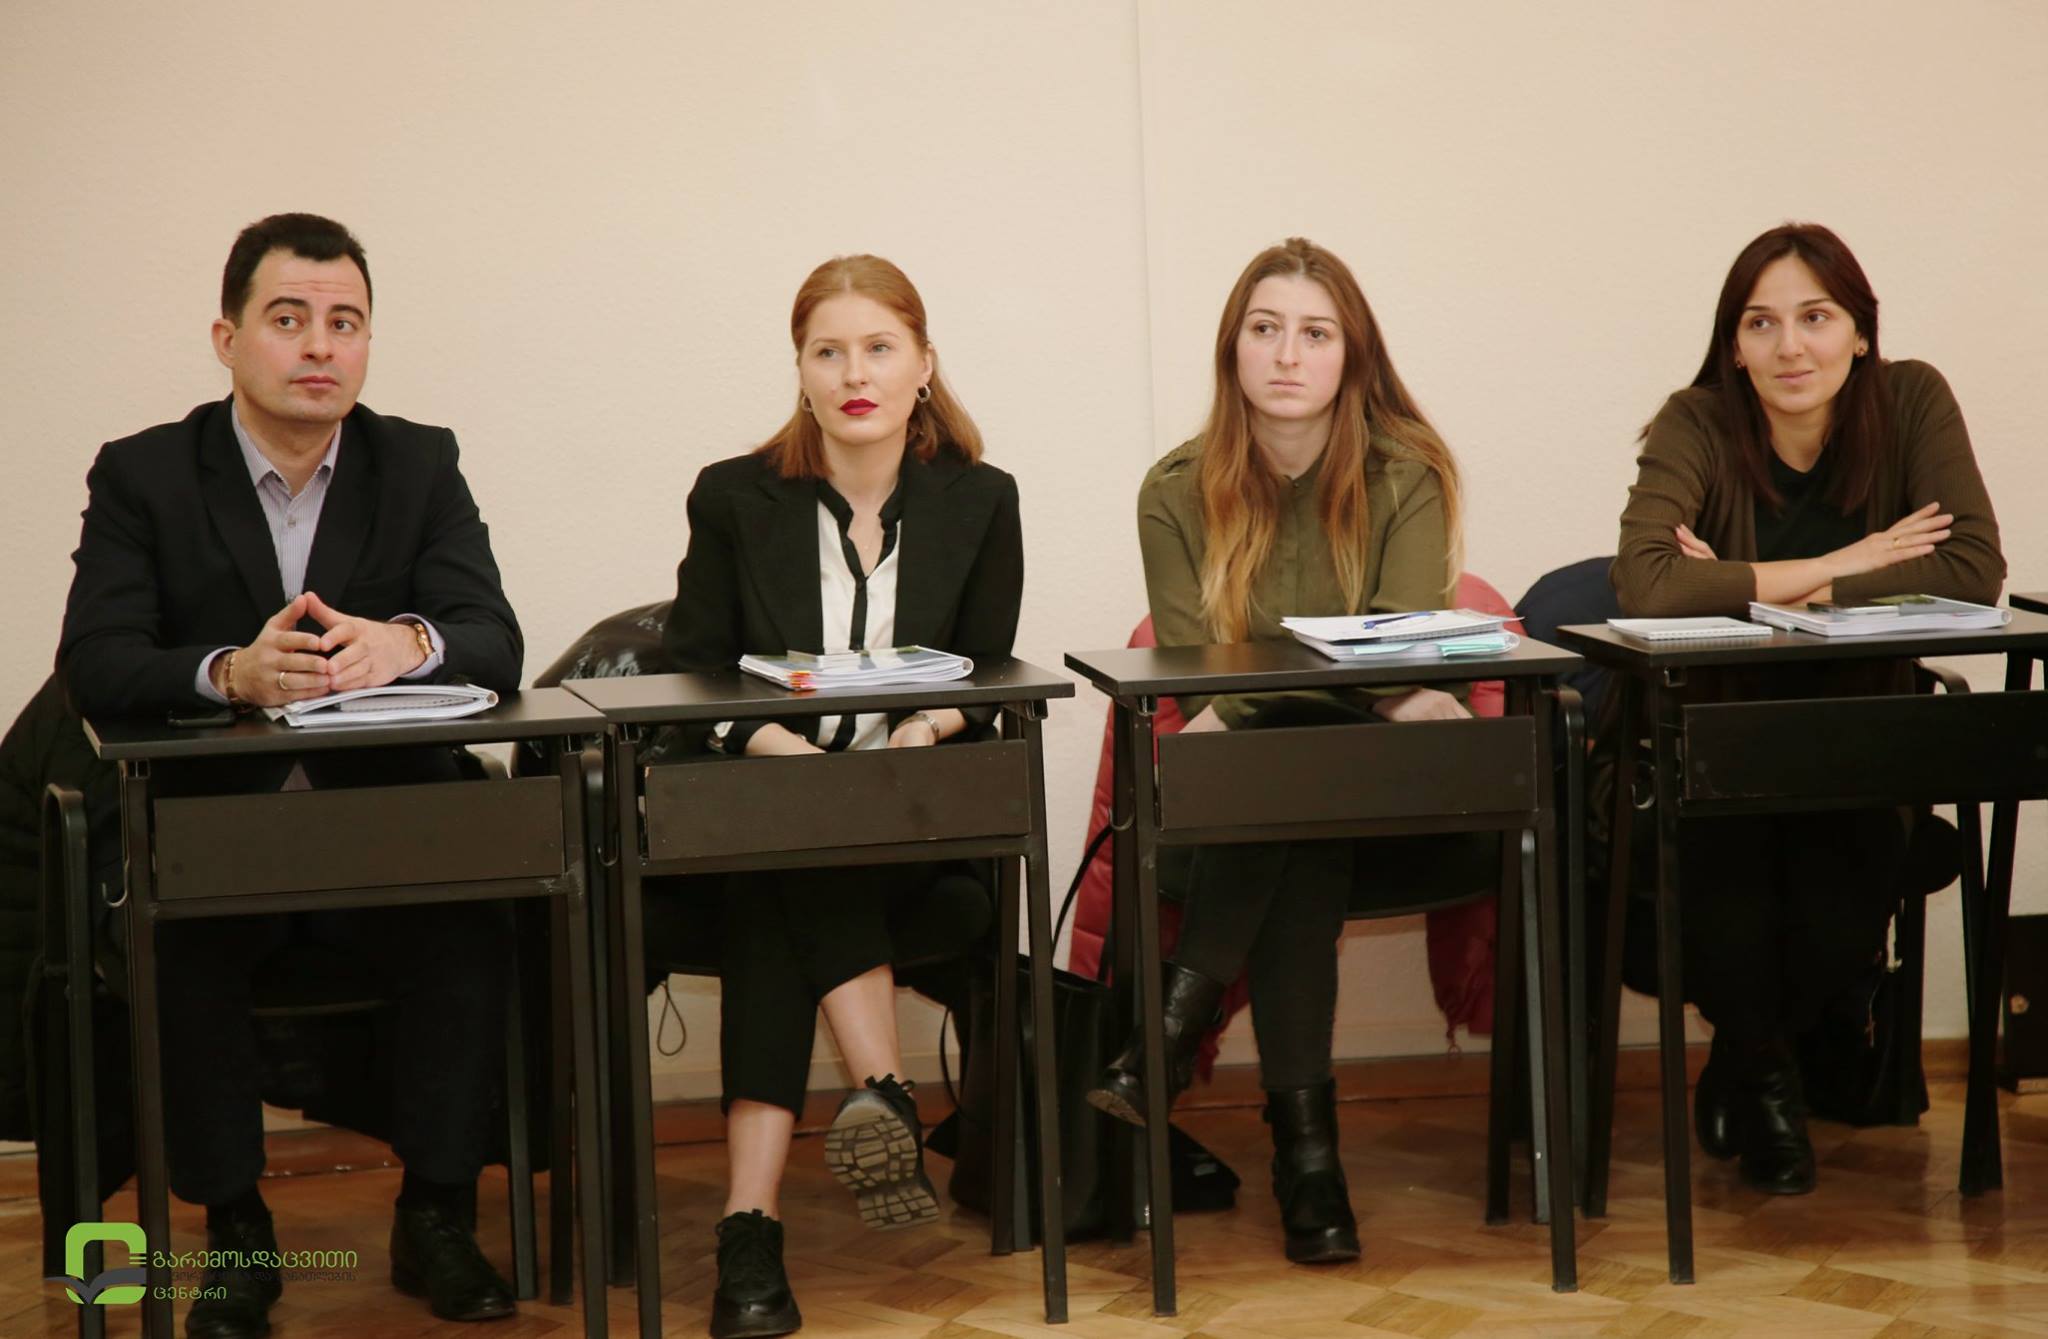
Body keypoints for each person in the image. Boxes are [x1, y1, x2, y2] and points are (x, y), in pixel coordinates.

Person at [58, 213, 525, 1336]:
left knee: (477, 920)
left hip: (383, 831)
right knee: (180, 936)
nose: (320, 345)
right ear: (228, 338)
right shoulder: (145, 474)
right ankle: (237, 1232)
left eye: (345, 322)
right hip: (214, 834)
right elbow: (96, 660)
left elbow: (494, 638)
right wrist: (229, 671)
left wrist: (407, 643)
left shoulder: (418, 460)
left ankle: (437, 1213)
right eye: (288, 319)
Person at [1085, 237, 1495, 1264]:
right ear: (1232, 347)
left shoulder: (1408, 472)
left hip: (1384, 795)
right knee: (1292, 806)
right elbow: (1199, 672)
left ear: (1351, 355)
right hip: (1266, 796)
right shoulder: (1173, 489)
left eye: (1314, 334)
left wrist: (1268, 695)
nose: (1286, 355)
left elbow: (1390, 647)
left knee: (1280, 771)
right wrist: (1358, 685)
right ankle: (1309, 1159)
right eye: (1264, 329)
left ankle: (1170, 1033)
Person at [661, 254, 1023, 1339]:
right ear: (801, 370)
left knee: (780, 886)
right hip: (774, 803)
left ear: (923, 364)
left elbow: (985, 674)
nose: (853, 374)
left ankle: (751, 1232)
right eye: (828, 351)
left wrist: (926, 727)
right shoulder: (735, 496)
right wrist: (775, 746)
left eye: (878, 348)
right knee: (786, 855)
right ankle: (880, 1094)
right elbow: (694, 672)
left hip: (909, 826)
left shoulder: (980, 500)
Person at [1611, 221, 2004, 1194]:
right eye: (1761, 323)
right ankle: (1769, 1086)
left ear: (1860, 332)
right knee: (1728, 895)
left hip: (1860, 741)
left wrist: (1758, 587)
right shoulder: (1697, 420)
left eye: (1815, 317)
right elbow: (1647, 582)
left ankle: (1746, 1053)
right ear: (1734, 345)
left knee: (1837, 918)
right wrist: (1845, 561)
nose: (1790, 346)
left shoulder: (1912, 400)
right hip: (1719, 742)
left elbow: (1970, 567)